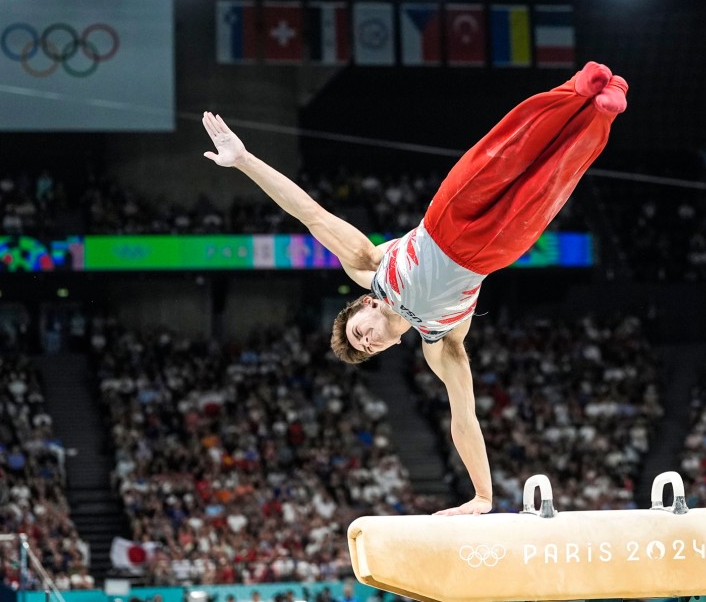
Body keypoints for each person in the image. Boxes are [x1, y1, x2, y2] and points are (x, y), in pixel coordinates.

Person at [202, 61, 627, 515]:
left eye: (356, 333)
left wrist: (244, 160)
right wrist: (483, 497)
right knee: (552, 180)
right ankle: (603, 110)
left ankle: (577, 88)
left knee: (509, 150)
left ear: (363, 304)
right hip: (493, 253)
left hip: (447, 219)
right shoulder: (440, 342)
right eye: (366, 349)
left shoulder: (371, 270)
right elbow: (464, 419)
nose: (366, 340)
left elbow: (311, 214)